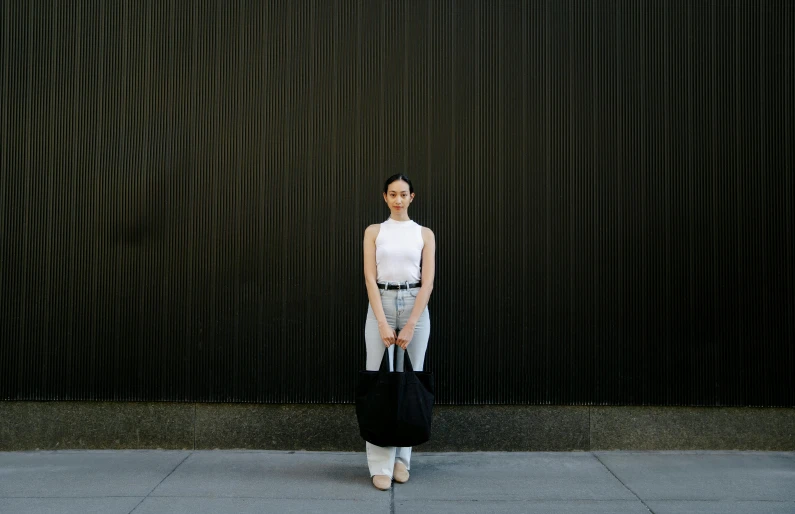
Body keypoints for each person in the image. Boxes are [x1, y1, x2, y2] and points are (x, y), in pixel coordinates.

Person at [362, 174, 436, 491]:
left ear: (411, 197)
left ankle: (402, 460)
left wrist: (410, 323)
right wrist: (381, 321)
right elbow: (369, 276)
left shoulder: (424, 234)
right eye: (392, 194)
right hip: (381, 302)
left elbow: (428, 281)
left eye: (403, 194)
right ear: (385, 197)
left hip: (414, 305)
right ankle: (379, 463)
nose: (397, 199)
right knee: (378, 381)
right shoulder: (374, 232)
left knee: (410, 380)